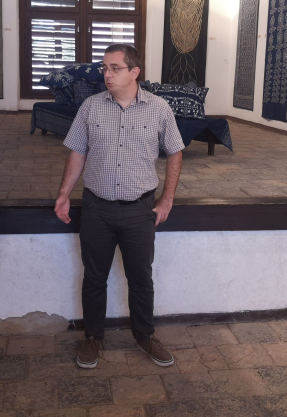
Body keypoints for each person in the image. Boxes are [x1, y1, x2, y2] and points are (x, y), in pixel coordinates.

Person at [54, 44, 184, 369]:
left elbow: (175, 151)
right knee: (94, 278)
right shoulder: (91, 107)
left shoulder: (158, 108)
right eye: (105, 68)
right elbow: (77, 151)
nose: (107, 75)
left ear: (134, 72)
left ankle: (145, 336)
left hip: (140, 210)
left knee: (141, 278)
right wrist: (64, 193)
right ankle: (93, 339)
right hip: (96, 208)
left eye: (115, 68)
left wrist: (167, 198)